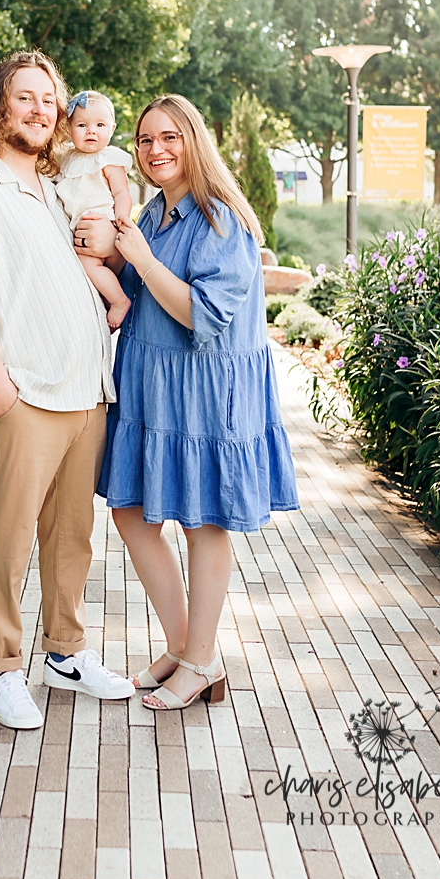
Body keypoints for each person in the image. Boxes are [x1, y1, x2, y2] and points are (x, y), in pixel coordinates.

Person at [0, 50, 136, 731]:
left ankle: (65, 655)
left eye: (51, 99)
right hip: (24, 400)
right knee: (9, 536)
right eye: (26, 97)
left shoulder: (51, 190)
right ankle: (0, 668)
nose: (41, 109)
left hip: (83, 393)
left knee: (72, 537)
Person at [98, 94, 299, 710]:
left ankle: (199, 654)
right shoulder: (155, 214)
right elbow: (132, 294)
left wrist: (139, 257)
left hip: (206, 391)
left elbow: (200, 314)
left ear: (194, 142)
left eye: (168, 137)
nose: (155, 150)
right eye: (144, 140)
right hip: (153, 389)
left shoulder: (221, 221)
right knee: (131, 512)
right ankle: (192, 649)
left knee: (203, 520)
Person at [57, 89, 137, 328]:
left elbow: (122, 192)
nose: (91, 130)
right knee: (87, 275)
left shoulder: (109, 159)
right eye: (82, 125)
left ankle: (119, 301)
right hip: (78, 229)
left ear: (111, 129)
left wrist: (120, 218)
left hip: (101, 221)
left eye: (100, 125)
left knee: (89, 265)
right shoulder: (66, 159)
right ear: (69, 129)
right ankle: (103, 301)